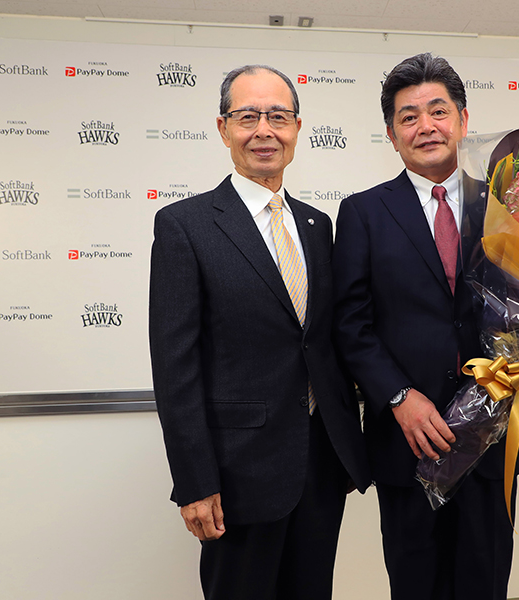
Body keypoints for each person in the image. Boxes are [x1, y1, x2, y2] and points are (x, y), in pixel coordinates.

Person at [331, 53, 519, 600]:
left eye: (438, 111)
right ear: (391, 135)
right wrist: (398, 397)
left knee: (485, 582)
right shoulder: (362, 213)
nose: (426, 126)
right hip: (410, 442)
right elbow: (350, 324)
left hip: (493, 441)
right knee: (414, 585)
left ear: (464, 121)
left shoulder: (514, 205)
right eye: (408, 116)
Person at [149, 64, 370, 600]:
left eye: (278, 116)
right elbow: (176, 367)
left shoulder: (318, 225)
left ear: (297, 128)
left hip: (321, 464)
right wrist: (196, 482)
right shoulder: (185, 225)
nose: (263, 130)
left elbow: (324, 341)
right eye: (248, 117)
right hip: (237, 473)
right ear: (223, 129)